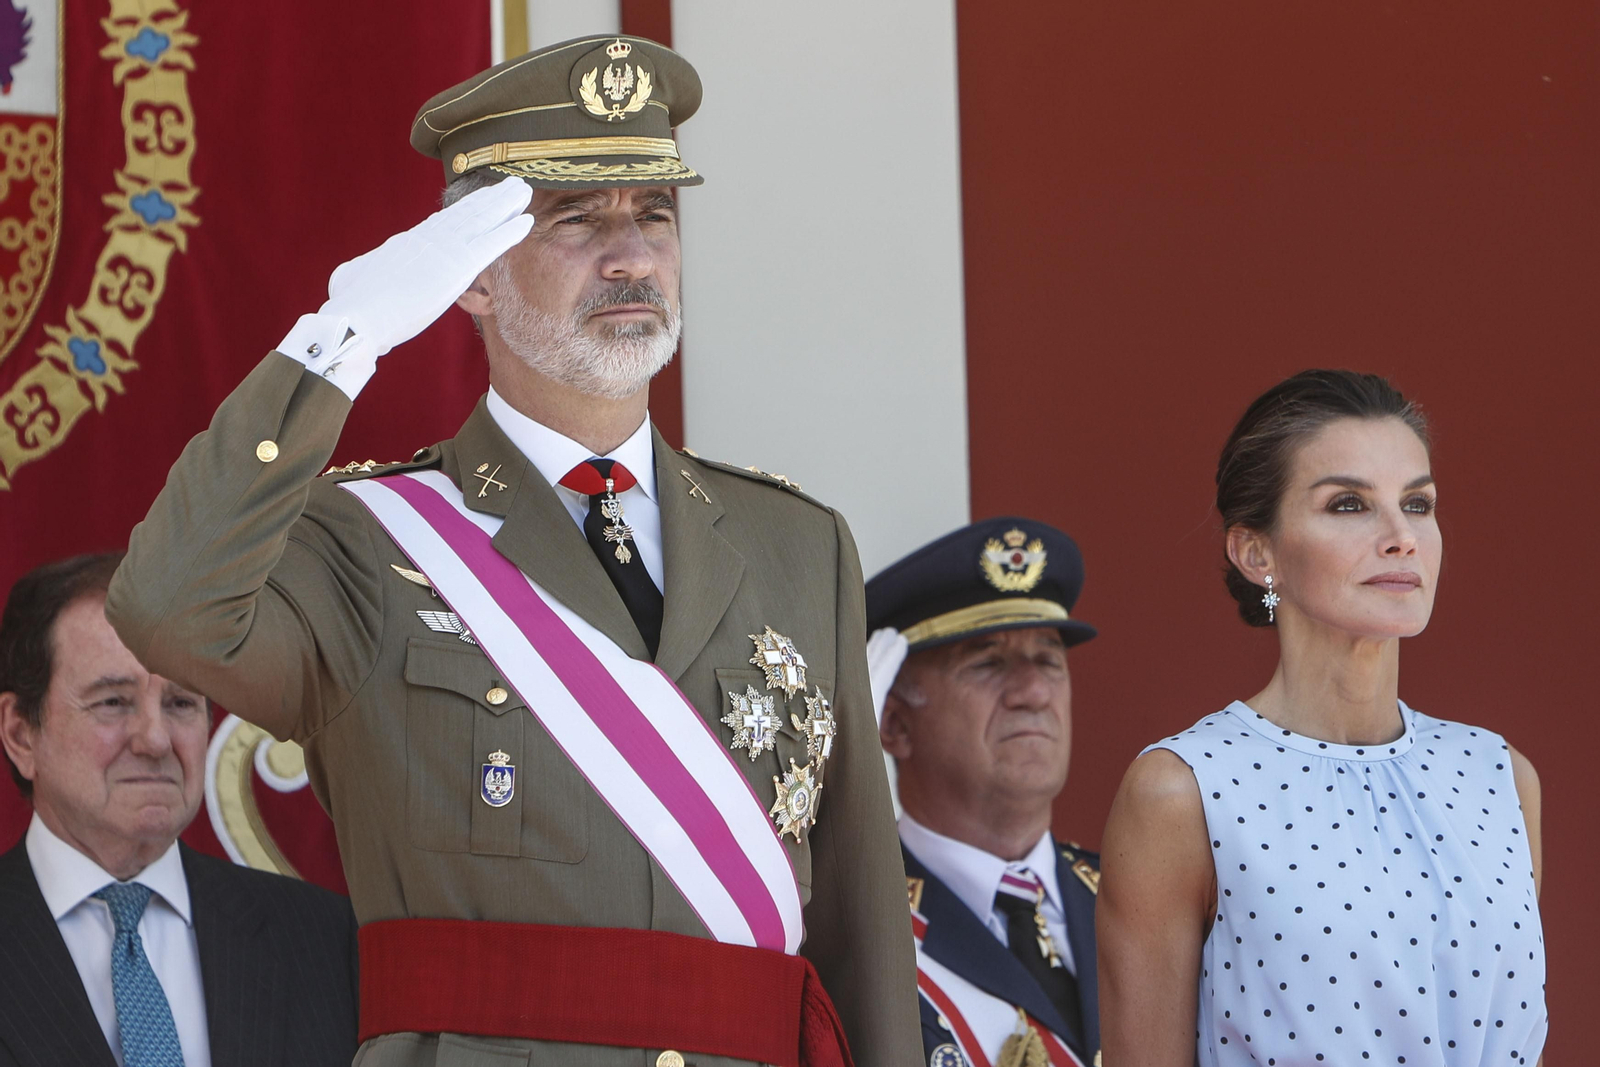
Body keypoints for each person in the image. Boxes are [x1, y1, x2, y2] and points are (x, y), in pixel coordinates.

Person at [106, 34, 919, 1067]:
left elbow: (855, 914)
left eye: (656, 216)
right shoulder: (366, 538)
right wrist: (340, 336)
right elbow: (167, 609)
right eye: (576, 219)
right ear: (471, 277)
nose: (631, 257)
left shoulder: (798, 544)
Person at [1097, 370, 1547, 1067]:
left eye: (1418, 503)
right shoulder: (1183, 791)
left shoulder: (1499, 777)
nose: (1401, 536)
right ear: (1257, 553)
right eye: (1348, 504)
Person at [0, 553, 359, 1067]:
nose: (155, 739)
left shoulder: (325, 941)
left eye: (181, 703)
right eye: (113, 702)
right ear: (20, 732)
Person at [867, 518, 1102, 1067]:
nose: (1034, 690)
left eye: (1049, 659)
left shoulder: (1135, 902)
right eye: (988, 663)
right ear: (895, 725)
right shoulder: (858, 931)